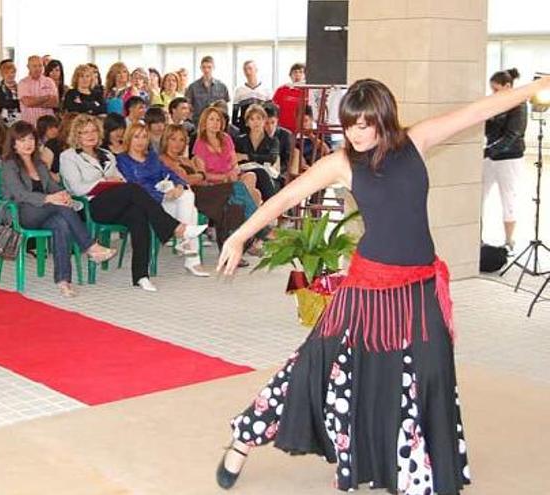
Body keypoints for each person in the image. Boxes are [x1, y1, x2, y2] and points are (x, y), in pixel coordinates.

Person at [214, 75, 550, 494]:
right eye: (349, 124)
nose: (355, 133)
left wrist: (543, 83)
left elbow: (481, 109)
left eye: (364, 124)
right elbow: (285, 198)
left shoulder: (416, 141)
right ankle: (244, 437)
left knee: (429, 372)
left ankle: (411, 467)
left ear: (383, 119)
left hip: (421, 284)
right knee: (313, 365)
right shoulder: (341, 163)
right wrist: (239, 235)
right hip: (368, 288)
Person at [59, 114, 206, 292]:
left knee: (138, 214)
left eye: (93, 131)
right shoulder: (68, 156)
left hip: (114, 200)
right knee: (133, 189)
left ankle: (141, 276)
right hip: (90, 205)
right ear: (77, 136)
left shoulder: (106, 155)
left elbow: (120, 179)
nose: (90, 135)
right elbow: (76, 188)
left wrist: (114, 181)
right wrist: (103, 182)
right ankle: (176, 228)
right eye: (84, 132)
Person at [1, 120, 117, 297]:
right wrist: (50, 198)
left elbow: (52, 186)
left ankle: (64, 281)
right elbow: (19, 195)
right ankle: (90, 246)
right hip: (22, 213)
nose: (28, 143)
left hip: (45, 212)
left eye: (31, 139)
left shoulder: (39, 164)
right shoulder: (9, 165)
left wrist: (62, 194)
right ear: (14, 144)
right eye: (22, 140)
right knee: (60, 207)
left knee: (61, 223)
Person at [116, 123, 209, 277]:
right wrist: (163, 195)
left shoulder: (152, 157)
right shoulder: (122, 160)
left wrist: (179, 186)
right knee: (191, 209)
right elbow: (134, 186)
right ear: (129, 139)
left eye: (144, 137)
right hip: (146, 205)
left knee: (187, 195)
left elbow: (171, 174)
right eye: (136, 137)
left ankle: (183, 241)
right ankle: (192, 260)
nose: (141, 141)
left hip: (165, 202)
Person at [160, 123, 254, 261]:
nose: (177, 144)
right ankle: (261, 227)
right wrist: (199, 176)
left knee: (234, 206)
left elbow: (201, 179)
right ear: (166, 140)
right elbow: (185, 180)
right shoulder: (163, 159)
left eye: (181, 140)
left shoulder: (185, 160)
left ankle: (230, 252)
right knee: (237, 188)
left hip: (203, 191)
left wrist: (200, 177)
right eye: (173, 139)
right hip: (185, 198)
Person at [483, 68, 526, 251]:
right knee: (479, 196)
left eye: (496, 90)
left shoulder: (519, 105)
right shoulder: (495, 104)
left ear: (508, 86)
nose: (493, 94)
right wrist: (488, 118)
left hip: (509, 158)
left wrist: (489, 150)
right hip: (491, 157)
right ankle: (478, 239)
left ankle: (509, 241)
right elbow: (488, 132)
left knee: (508, 199)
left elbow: (513, 135)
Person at [193, 107, 261, 206]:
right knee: (255, 194)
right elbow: (203, 175)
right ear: (204, 122)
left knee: (251, 176)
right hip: (215, 182)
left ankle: (238, 204)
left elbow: (235, 164)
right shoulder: (200, 144)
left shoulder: (226, 138)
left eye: (218, 120)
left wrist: (233, 173)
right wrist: (224, 177)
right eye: (211, 119)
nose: (215, 123)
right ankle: (243, 211)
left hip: (232, 178)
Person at [235, 104, 281, 201]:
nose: (256, 122)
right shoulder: (239, 140)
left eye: (259, 118)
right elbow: (236, 159)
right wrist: (257, 158)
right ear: (247, 123)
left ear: (264, 120)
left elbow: (271, 158)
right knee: (258, 173)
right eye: (252, 119)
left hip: (267, 174)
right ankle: (272, 207)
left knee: (262, 174)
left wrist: (247, 156)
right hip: (245, 173)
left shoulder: (273, 141)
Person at [185, 56, 230, 123]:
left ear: (213, 68)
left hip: (217, 123)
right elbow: (188, 108)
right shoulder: (192, 87)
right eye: (204, 67)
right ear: (201, 68)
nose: (206, 70)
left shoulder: (222, 87)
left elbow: (225, 107)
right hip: (198, 123)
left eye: (209, 67)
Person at [19, 55, 58, 125]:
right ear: (28, 67)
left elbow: (54, 102)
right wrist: (46, 97)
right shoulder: (23, 83)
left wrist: (34, 101)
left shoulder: (49, 81)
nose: (38, 68)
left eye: (40, 66)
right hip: (30, 124)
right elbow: (27, 102)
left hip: (48, 125)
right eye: (34, 66)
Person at [232, 60, 272, 129]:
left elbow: (270, 112)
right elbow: (235, 113)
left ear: (256, 70)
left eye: (250, 68)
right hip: (244, 127)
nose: (248, 72)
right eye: (245, 69)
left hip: (261, 127)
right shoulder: (239, 90)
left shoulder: (266, 90)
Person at [272, 62, 306, 134]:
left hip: (302, 129)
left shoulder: (308, 91)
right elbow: (273, 108)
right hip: (283, 128)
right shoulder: (282, 89)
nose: (297, 74)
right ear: (290, 75)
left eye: (301, 72)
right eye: (295, 72)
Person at [0, 59, 21, 125]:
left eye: (12, 72)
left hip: (20, 119)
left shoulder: (21, 87)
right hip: (4, 122)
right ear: (2, 74)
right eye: (6, 73)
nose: (10, 75)